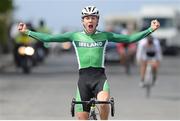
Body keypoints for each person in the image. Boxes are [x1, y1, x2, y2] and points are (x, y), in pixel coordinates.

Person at [17, 6, 160, 120]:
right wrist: (28, 32)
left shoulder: (105, 36)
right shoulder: (74, 36)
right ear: (83, 21)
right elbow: (49, 38)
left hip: (99, 78)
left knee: (104, 103)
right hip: (83, 80)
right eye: (87, 18)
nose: (90, 20)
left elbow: (129, 39)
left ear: (97, 21)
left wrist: (150, 29)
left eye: (93, 18)